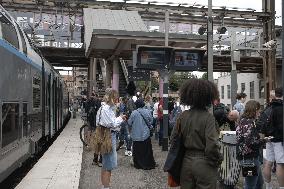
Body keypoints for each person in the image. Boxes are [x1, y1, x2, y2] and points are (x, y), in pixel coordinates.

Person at [170, 78, 222, 189]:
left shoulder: (182, 116)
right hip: (204, 164)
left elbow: (173, 139)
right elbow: (212, 145)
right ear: (208, 97)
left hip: (186, 163)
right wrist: (217, 160)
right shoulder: (209, 118)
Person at [96, 89, 126, 189]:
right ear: (112, 98)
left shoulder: (104, 108)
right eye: (116, 98)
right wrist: (121, 118)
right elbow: (112, 124)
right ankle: (106, 187)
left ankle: (105, 186)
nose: (117, 101)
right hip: (108, 136)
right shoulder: (106, 109)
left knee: (105, 164)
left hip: (105, 135)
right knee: (108, 164)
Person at [258, 88, 284, 189]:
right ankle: (282, 187)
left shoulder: (267, 108)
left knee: (268, 162)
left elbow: (261, 124)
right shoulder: (281, 108)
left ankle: (268, 186)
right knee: (280, 164)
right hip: (279, 140)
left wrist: (265, 137)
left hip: (269, 139)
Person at [236, 100, 264, 189]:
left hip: (249, 158)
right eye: (258, 110)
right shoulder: (248, 123)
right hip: (249, 159)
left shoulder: (244, 120)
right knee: (250, 185)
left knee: (259, 183)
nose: (259, 113)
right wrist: (264, 141)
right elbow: (250, 143)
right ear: (254, 110)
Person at [127, 99, 156, 170]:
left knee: (138, 150)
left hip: (136, 135)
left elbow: (129, 123)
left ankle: (138, 164)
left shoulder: (134, 113)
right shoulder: (147, 111)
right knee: (146, 150)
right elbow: (151, 121)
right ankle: (148, 163)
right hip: (146, 135)